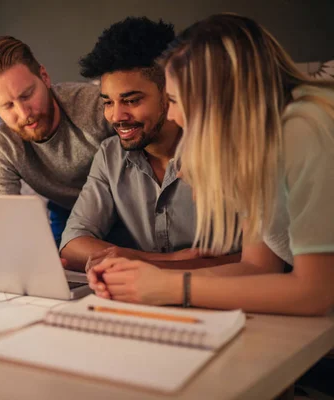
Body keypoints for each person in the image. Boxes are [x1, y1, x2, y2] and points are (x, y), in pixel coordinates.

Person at [88, 14, 334, 316]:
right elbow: (257, 267)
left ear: (216, 99)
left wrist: (173, 288)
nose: (173, 115)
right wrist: (148, 282)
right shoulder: (257, 144)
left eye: (175, 100)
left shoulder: (304, 129)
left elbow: (316, 292)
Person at [60, 17, 240, 271]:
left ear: (170, 93)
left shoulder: (226, 151)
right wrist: (165, 262)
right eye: (108, 102)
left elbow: (257, 260)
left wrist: (131, 262)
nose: (116, 116)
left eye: (132, 100)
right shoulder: (110, 155)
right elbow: (72, 244)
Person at [0, 36, 114, 246]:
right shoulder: (2, 147)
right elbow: (4, 225)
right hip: (67, 211)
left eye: (27, 95)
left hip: (122, 208)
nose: (23, 113)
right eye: (7, 106)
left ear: (45, 77)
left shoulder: (96, 107)